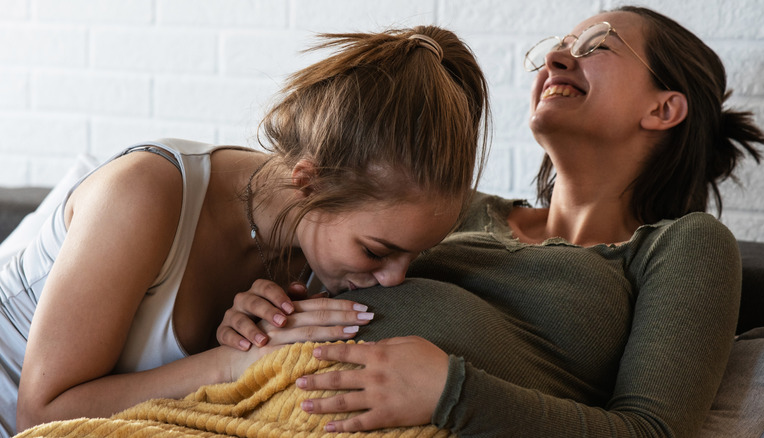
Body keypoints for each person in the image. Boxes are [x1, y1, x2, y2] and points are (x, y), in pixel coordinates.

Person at [218, 5, 764, 437]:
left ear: (663, 109)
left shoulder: (682, 245)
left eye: (595, 46)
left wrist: (453, 393)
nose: (556, 59)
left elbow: (652, 431)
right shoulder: (446, 209)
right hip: (248, 403)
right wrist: (263, 312)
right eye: (557, 47)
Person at [0, 25, 490, 437]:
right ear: (308, 183)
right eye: (377, 252)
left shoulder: (319, 263)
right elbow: (40, 415)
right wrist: (229, 365)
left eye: (413, 256)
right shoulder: (142, 194)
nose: (395, 279)